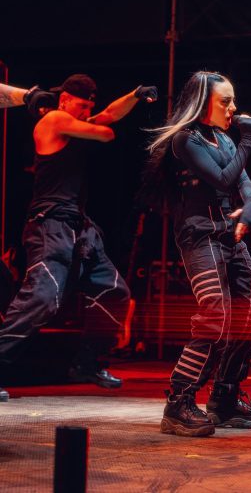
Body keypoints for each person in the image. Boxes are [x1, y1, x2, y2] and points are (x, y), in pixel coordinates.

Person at [0, 74, 158, 401]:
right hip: (50, 226)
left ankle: (86, 364)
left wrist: (134, 94)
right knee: (43, 299)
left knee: (114, 292)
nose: (87, 112)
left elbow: (110, 114)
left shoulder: (74, 122)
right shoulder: (55, 120)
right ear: (65, 100)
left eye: (89, 107)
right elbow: (106, 131)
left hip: (80, 230)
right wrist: (98, 124)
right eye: (82, 106)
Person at [145, 71, 251, 437]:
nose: (233, 108)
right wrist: (248, 139)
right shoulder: (186, 140)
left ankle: (225, 399)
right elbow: (224, 179)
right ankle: (178, 402)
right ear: (203, 104)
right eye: (225, 102)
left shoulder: (224, 139)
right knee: (216, 317)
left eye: (233, 101)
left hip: (229, 235)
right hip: (200, 237)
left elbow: (245, 184)